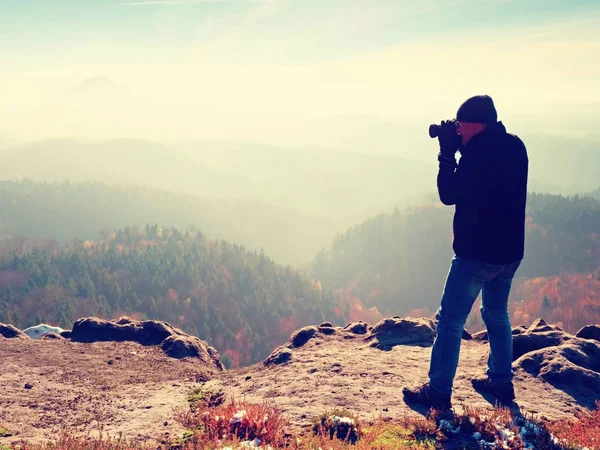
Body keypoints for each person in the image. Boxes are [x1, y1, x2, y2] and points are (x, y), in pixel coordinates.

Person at [402, 95, 529, 410]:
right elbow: (490, 176)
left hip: (476, 254)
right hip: (510, 254)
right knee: (497, 314)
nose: (457, 129)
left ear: (475, 124)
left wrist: (447, 154)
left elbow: (449, 193)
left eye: (460, 125)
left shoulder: (477, 157)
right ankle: (501, 382)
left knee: (450, 320)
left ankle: (438, 391)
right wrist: (463, 148)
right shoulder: (516, 147)